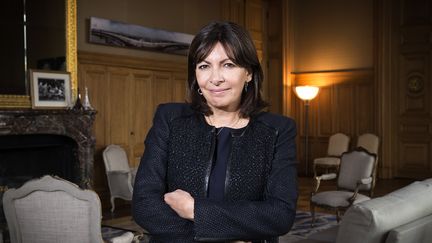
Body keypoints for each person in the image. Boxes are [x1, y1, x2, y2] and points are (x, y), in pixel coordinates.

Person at [132, 21, 298, 243]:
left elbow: (279, 216)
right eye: (204, 66)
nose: (215, 78)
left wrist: (194, 210)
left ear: (248, 72)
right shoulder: (170, 119)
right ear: (195, 76)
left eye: (228, 65)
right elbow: (145, 205)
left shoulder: (278, 130)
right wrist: (221, 236)